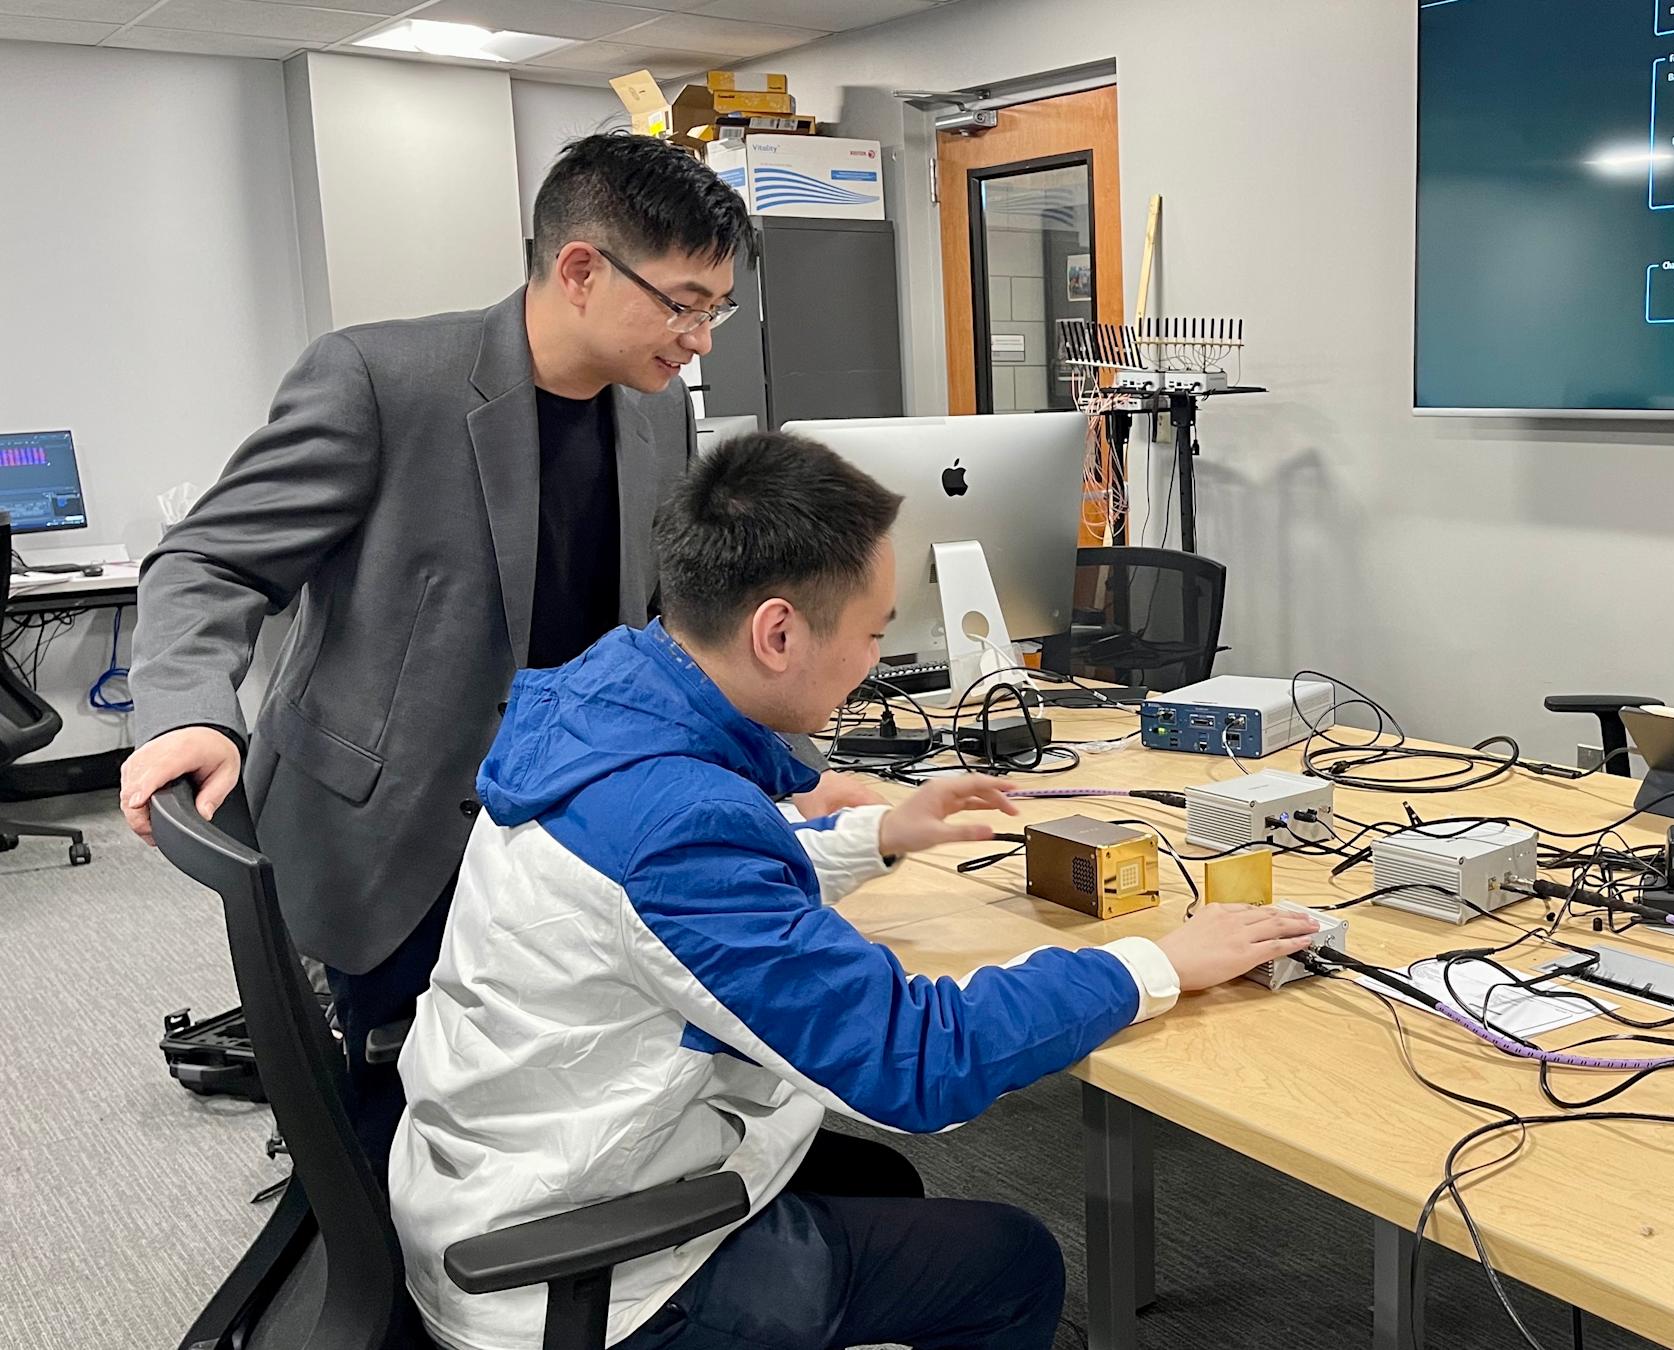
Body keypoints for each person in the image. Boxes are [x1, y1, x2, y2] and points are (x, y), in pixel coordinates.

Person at [389, 430, 1322, 1350]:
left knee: (881, 1187)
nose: (877, 661)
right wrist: (1151, 965)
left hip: (494, 1174)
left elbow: (695, 891)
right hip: (578, 1280)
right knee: (1014, 1263)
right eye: (875, 633)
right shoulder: (675, 831)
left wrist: (875, 833)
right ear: (779, 631)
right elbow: (916, 1062)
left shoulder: (601, 695)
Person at [118, 132, 879, 1163]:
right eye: (685, 303)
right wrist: (190, 714)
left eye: (716, 309)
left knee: (534, 1113)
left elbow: (676, 640)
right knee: (377, 1129)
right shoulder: (378, 380)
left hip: (558, 835)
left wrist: (785, 774)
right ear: (579, 271)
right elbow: (207, 562)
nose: (701, 338)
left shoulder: (656, 421)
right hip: (389, 836)